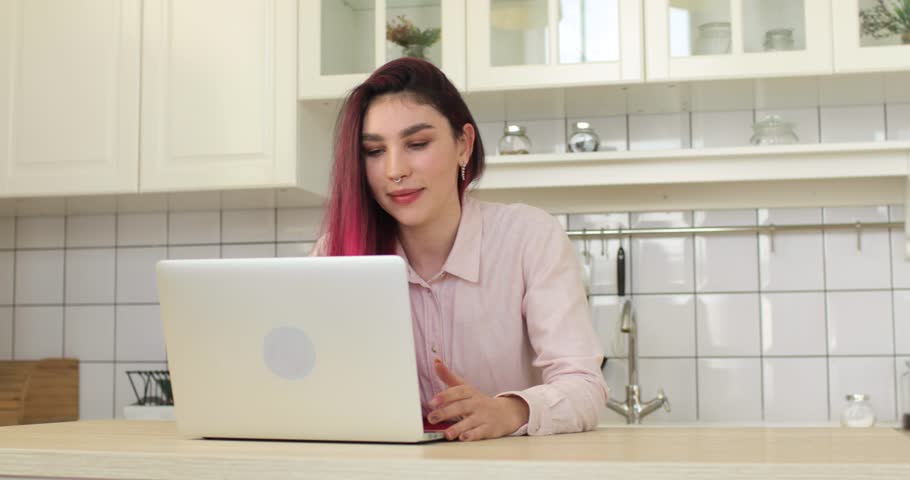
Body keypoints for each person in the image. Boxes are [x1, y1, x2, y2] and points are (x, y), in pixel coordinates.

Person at [311, 57, 608, 442]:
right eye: (374, 151)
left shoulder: (529, 237)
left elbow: (584, 385)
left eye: (417, 144)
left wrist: (508, 410)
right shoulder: (335, 254)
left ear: (463, 145)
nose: (394, 170)